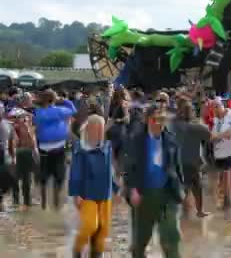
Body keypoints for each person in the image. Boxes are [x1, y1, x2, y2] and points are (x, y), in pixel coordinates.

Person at [125, 105, 185, 258]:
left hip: (167, 194)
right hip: (144, 195)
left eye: (162, 119)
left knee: (171, 236)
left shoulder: (171, 139)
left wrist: (183, 190)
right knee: (141, 240)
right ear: (147, 120)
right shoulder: (137, 140)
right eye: (155, 119)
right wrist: (132, 189)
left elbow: (177, 167)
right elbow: (129, 168)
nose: (159, 123)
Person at [69, 107, 115, 258]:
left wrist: (116, 188)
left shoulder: (107, 147)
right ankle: (77, 249)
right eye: (96, 129)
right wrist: (75, 194)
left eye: (101, 129)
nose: (99, 132)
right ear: (88, 130)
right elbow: (75, 171)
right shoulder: (80, 149)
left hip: (105, 193)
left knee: (103, 229)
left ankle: (96, 254)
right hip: (87, 193)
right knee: (90, 225)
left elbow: (110, 169)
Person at [34, 89, 76, 210]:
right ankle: (56, 205)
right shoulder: (59, 111)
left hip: (43, 149)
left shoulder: (39, 112)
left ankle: (43, 205)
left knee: (44, 177)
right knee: (59, 177)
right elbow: (73, 110)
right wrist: (65, 100)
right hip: (59, 148)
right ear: (53, 99)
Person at [171, 100, 211, 217]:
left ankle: (183, 212)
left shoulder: (175, 124)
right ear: (190, 113)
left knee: (184, 187)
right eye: (192, 110)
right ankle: (198, 211)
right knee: (197, 187)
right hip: (193, 162)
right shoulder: (196, 127)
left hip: (178, 161)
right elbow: (209, 136)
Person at [210, 98, 231, 219]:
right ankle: (228, 204)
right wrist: (214, 137)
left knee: (229, 181)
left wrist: (219, 135)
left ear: (220, 107)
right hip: (219, 154)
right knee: (224, 182)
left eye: (214, 109)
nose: (213, 112)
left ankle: (230, 208)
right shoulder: (215, 119)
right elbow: (213, 135)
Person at [8, 108, 38, 211]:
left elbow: (31, 141)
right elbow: (14, 143)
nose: (25, 117)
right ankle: (22, 202)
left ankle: (21, 201)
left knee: (23, 178)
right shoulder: (18, 127)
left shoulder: (23, 126)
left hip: (25, 153)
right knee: (22, 178)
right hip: (22, 153)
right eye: (23, 116)